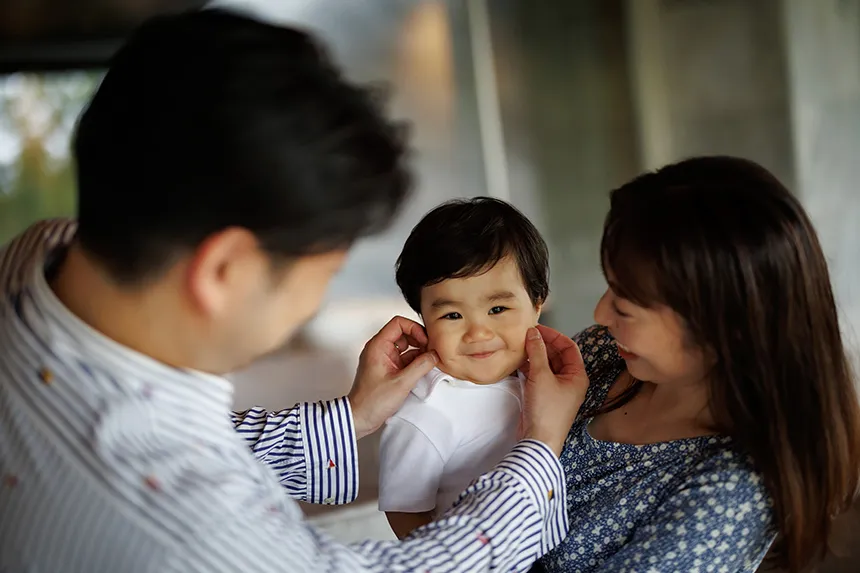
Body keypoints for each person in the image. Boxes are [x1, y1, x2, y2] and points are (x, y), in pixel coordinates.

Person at [0, 9, 590, 573]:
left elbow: (194, 436)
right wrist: (537, 450)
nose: (314, 303)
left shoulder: (34, 261)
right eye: (323, 277)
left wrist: (354, 416)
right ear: (223, 271)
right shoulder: (197, 532)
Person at [530, 156, 860, 573]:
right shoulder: (607, 353)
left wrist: (541, 437)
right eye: (609, 287)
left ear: (722, 330)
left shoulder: (732, 491)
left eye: (626, 307)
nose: (599, 314)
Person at [378, 197, 550, 538]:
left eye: (498, 309)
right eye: (452, 315)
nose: (478, 333)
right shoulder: (427, 412)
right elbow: (404, 511)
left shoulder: (545, 379)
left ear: (536, 306)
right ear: (424, 323)